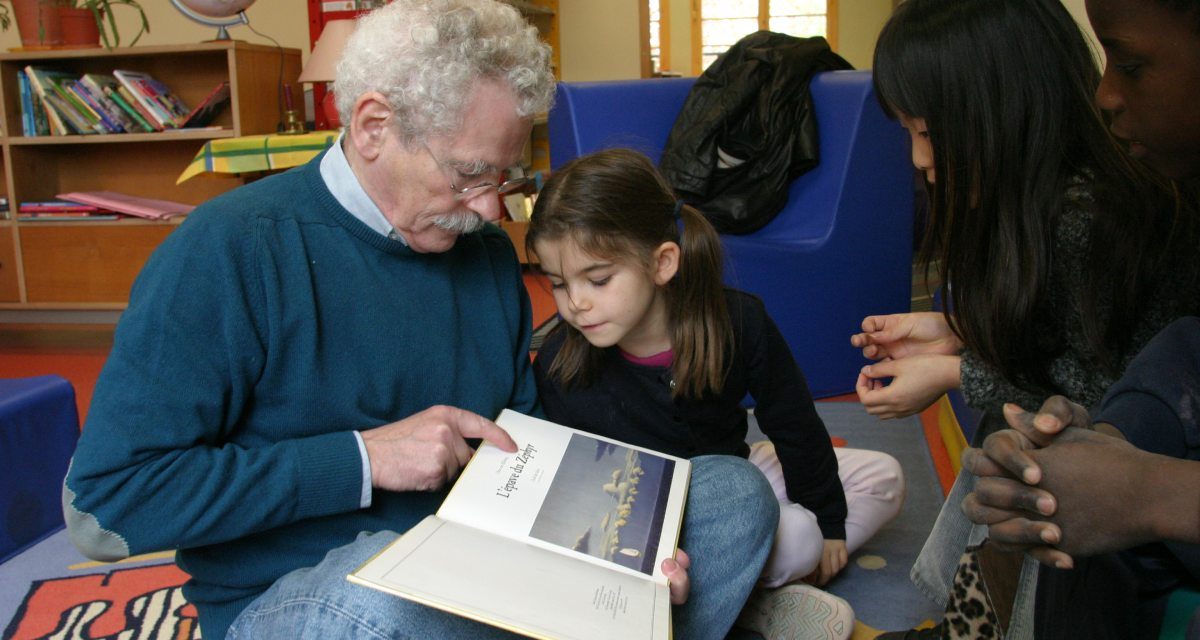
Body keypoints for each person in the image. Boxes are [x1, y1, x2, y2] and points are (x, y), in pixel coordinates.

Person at [59, 3, 781, 639]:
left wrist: (618, 553)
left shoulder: (483, 255)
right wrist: (364, 460)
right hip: (309, 597)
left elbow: (520, 453)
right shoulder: (229, 252)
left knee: (730, 496)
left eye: (507, 179)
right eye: (471, 174)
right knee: (387, 613)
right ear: (375, 126)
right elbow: (104, 509)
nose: (494, 210)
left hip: (481, 569)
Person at [851, 0, 1200, 637]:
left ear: (998, 112)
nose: (918, 160)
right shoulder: (1040, 205)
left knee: (1017, 456)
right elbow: (1057, 340)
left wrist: (956, 370)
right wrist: (956, 334)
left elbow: (1105, 401)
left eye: (927, 132)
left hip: (1125, 492)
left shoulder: (1088, 217)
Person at [526, 147, 906, 640]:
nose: (576, 303)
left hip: (730, 477)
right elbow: (573, 491)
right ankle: (756, 598)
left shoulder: (738, 321)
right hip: (653, 525)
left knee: (884, 477)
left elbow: (794, 424)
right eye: (558, 284)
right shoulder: (561, 359)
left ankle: (751, 588)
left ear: (662, 263)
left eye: (598, 279)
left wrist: (833, 521)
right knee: (799, 539)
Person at [959, 0, 1200, 635]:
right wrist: (1109, 440)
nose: (1105, 95)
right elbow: (1181, 358)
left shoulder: (1092, 214)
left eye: (1129, 62)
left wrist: (1146, 490)